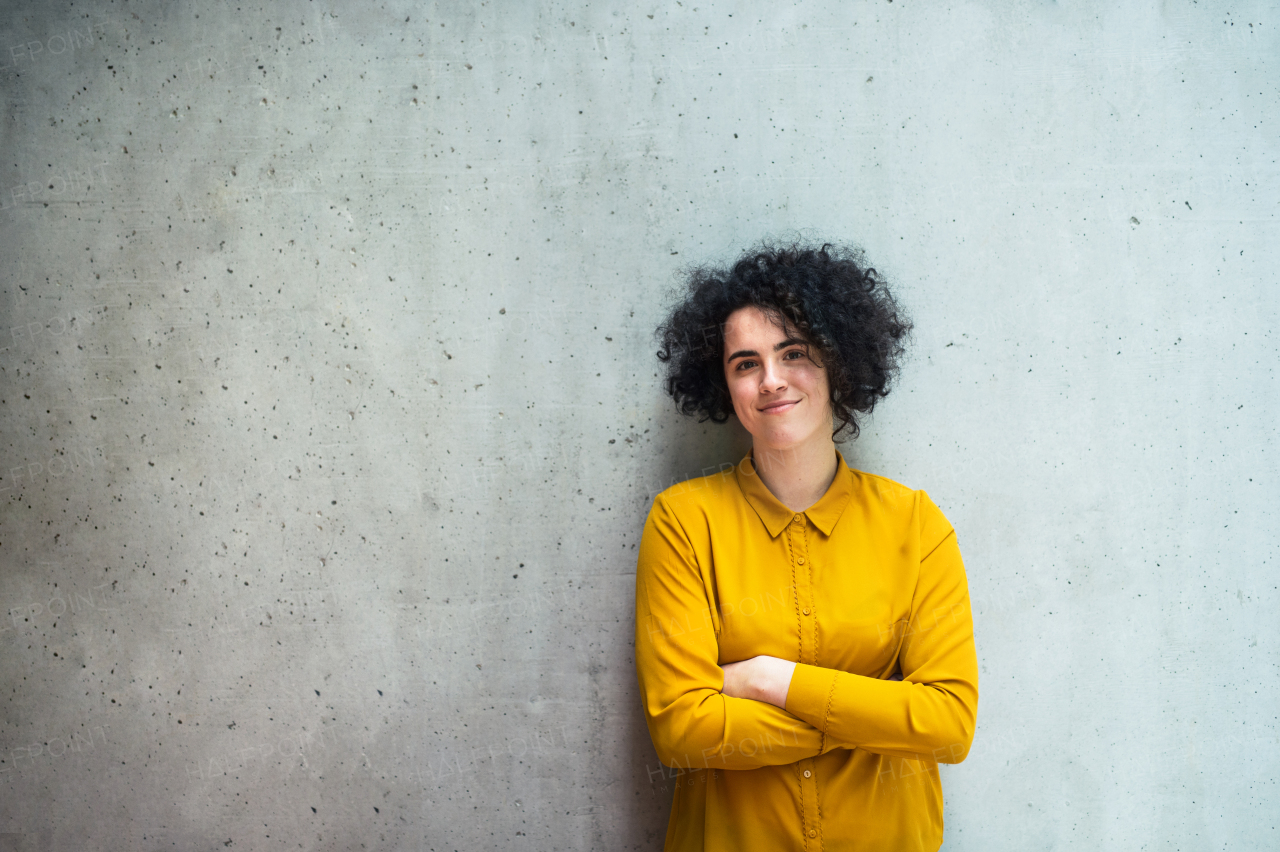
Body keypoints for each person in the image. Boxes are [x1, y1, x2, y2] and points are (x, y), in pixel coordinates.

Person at [634, 241, 978, 851]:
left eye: (793, 353)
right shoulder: (683, 523)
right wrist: (878, 717)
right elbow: (683, 732)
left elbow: (948, 727)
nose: (771, 381)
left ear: (837, 361)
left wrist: (769, 680)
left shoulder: (916, 524)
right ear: (724, 383)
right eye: (745, 363)